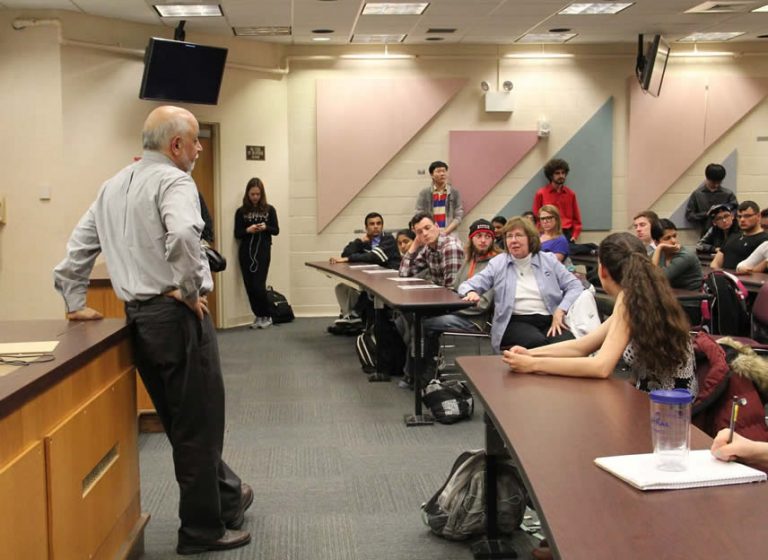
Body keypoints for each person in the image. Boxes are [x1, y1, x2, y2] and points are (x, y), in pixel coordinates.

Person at [52, 106, 252, 555]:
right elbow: (183, 236)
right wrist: (189, 288)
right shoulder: (175, 181)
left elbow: (78, 249)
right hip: (175, 317)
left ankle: (228, 494)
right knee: (199, 426)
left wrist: (75, 301)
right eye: (196, 140)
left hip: (138, 320)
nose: (200, 148)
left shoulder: (111, 186)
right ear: (175, 145)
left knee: (181, 420)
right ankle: (202, 531)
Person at [501, 232, 697, 395]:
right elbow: (582, 347)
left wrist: (532, 365)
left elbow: (601, 366)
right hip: (665, 400)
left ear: (602, 270)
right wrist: (530, 354)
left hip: (666, 410)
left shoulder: (629, 301)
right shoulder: (642, 295)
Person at [458, 216, 583, 352]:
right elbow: (466, 285)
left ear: (530, 238)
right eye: (509, 236)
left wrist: (561, 310)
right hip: (513, 321)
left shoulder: (548, 260)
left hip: (550, 319)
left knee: (569, 344)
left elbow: (575, 285)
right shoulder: (498, 263)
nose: (513, 240)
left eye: (518, 235)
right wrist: (471, 292)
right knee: (537, 342)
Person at [421, 219, 500, 371]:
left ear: (493, 239)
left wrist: (450, 308)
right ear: (471, 238)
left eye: (487, 236)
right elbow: (454, 288)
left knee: (426, 324)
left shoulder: (496, 264)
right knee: (418, 317)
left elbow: (482, 305)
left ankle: (427, 371)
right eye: (479, 236)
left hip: (476, 320)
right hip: (459, 312)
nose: (483, 241)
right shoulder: (469, 259)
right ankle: (421, 368)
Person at [329, 212, 400, 327]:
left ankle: (355, 314)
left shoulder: (388, 239)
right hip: (372, 277)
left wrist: (349, 258)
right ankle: (350, 317)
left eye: (379, 223)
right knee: (341, 287)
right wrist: (359, 242)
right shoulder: (365, 242)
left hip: (389, 279)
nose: (376, 226)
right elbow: (345, 253)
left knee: (368, 289)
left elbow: (374, 256)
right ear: (366, 227)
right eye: (372, 224)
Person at [234, 177, 280, 329]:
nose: (255, 197)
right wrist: (248, 230)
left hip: (263, 252)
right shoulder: (241, 212)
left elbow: (276, 230)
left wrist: (265, 227)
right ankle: (258, 315)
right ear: (247, 194)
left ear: (262, 194)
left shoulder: (269, 210)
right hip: (246, 253)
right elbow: (238, 233)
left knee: (259, 285)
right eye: (252, 194)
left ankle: (267, 315)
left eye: (257, 194)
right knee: (249, 286)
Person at [651, 218, 704, 325]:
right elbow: (646, 275)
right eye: (667, 238)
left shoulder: (685, 256)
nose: (674, 241)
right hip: (670, 302)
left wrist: (659, 248)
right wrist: (658, 250)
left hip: (688, 306)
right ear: (656, 242)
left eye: (674, 236)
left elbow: (656, 278)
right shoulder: (660, 254)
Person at [399, 212, 464, 287]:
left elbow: (452, 287)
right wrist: (414, 245)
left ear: (437, 226)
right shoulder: (428, 248)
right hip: (441, 295)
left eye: (427, 228)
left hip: (455, 296)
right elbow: (404, 273)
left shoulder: (450, 247)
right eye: (419, 232)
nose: (425, 233)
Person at [532, 158, 582, 242]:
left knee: (567, 250)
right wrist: (539, 234)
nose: (561, 176)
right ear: (551, 175)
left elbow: (576, 219)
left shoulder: (570, 194)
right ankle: (591, 248)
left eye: (563, 173)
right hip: (548, 231)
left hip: (566, 232)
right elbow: (537, 217)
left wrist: (575, 235)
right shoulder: (541, 193)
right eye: (557, 173)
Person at [711, 201, 768, 271]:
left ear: (758, 216)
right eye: (739, 216)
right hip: (724, 278)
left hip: (747, 280)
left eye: (747, 216)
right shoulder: (732, 236)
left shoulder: (765, 240)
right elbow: (716, 262)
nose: (742, 220)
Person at [685, 163, 738, 236]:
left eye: (719, 182)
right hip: (707, 234)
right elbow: (689, 215)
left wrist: (726, 214)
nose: (716, 185)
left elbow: (737, 211)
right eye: (713, 182)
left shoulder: (728, 194)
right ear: (707, 178)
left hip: (728, 233)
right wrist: (706, 214)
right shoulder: (697, 194)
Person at [415, 160, 464, 236]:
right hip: (430, 234)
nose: (442, 174)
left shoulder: (454, 193)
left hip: (450, 234)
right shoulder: (424, 193)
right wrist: (430, 229)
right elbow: (419, 213)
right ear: (432, 175)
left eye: (444, 171)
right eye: (438, 171)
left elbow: (459, 215)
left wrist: (446, 231)